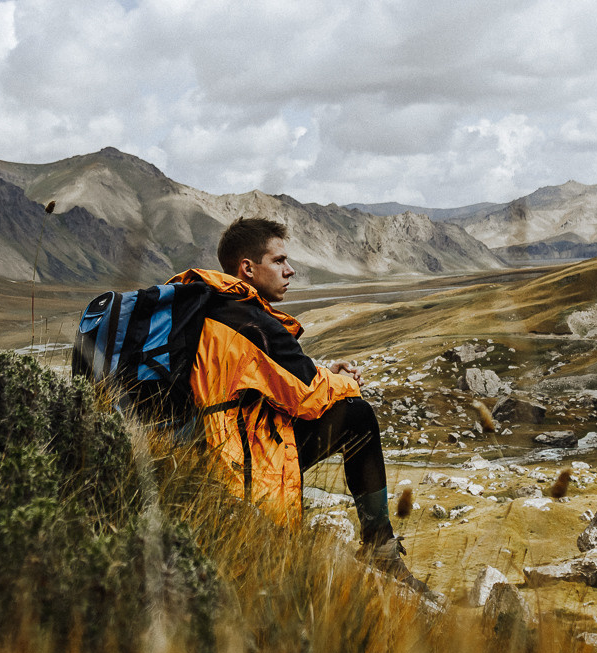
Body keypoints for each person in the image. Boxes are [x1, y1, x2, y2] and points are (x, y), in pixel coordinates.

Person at [170, 216, 432, 596]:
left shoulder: (210, 307)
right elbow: (307, 394)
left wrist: (326, 373)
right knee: (356, 416)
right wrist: (346, 383)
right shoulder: (250, 320)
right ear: (247, 267)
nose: (290, 270)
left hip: (201, 449)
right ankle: (380, 547)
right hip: (235, 464)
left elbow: (276, 379)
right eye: (278, 261)